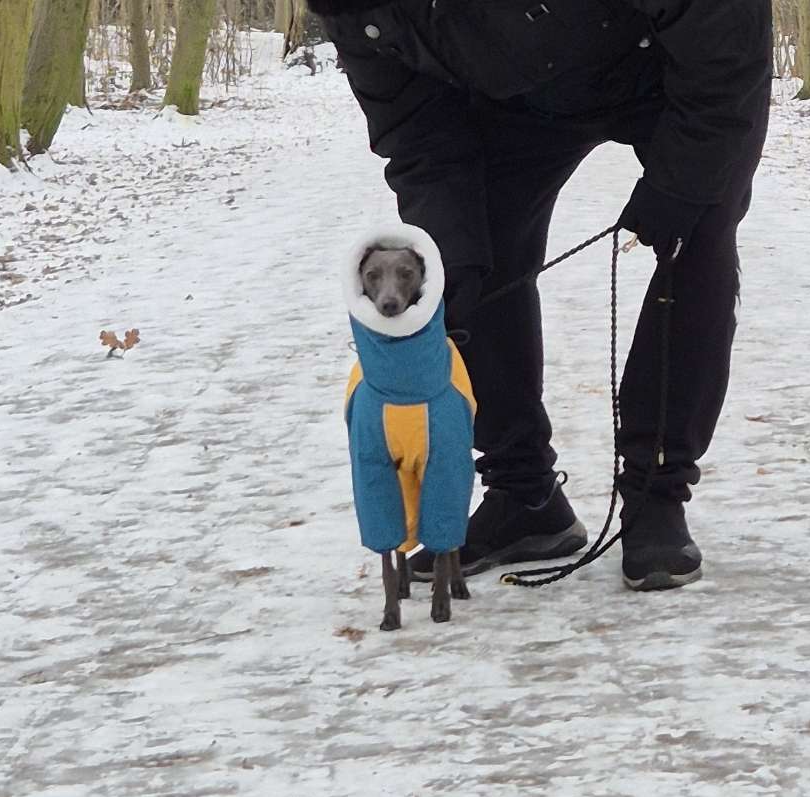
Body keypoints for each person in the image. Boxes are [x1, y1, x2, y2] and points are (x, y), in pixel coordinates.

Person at [310, 0, 773, 591]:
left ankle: (656, 493)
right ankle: (525, 497)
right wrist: (457, 259)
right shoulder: (356, 12)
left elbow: (722, 44)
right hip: (512, 102)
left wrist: (682, 185)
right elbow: (418, 135)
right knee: (467, 262)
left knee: (700, 228)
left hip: (668, 69)